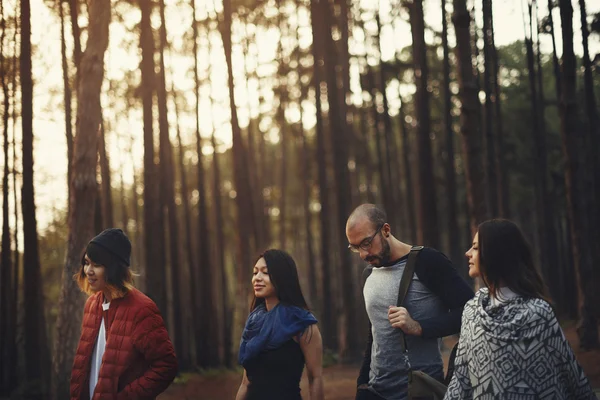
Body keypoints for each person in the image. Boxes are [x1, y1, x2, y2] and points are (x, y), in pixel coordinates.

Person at [444, 219, 595, 399]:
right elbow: (461, 379)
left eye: (475, 248)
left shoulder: (538, 313)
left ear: (494, 254)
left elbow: (569, 372)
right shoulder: (472, 311)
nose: (468, 253)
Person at [346, 204, 474, 400]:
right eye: (355, 248)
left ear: (386, 230)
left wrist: (419, 327)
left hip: (419, 391)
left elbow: (470, 312)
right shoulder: (369, 273)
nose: (363, 254)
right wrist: (361, 385)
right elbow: (375, 334)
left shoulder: (428, 261)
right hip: (374, 391)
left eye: (366, 243)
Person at [70, 228, 177, 400]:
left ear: (113, 268)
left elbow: (166, 365)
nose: (88, 270)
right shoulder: (91, 305)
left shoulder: (141, 309)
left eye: (96, 265)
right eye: (86, 262)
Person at [236, 249, 324, 400]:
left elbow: (315, 378)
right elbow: (245, 383)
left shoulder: (302, 323)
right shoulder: (254, 322)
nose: (257, 278)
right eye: (255, 272)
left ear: (282, 277)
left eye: (265, 272)